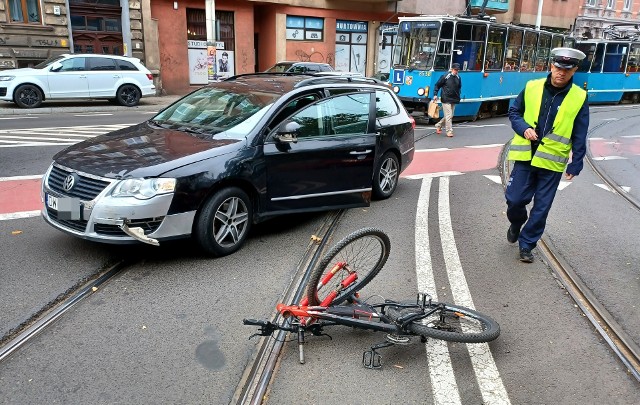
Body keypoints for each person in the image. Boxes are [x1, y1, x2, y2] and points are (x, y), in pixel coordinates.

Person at [505, 47, 589, 263]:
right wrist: (523, 128)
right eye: (558, 67)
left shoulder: (579, 97)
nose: (561, 73)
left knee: (542, 208)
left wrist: (576, 163)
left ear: (574, 71)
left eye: (567, 70)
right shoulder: (532, 87)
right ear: (551, 66)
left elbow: (580, 132)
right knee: (514, 199)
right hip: (526, 156)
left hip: (552, 162)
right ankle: (516, 222)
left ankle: (527, 245)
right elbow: (514, 112)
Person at [432, 62, 462, 137]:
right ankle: (449, 131)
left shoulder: (458, 77)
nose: (456, 71)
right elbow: (437, 85)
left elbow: (459, 87)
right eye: (455, 70)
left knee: (450, 115)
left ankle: (438, 125)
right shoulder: (445, 76)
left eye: (457, 70)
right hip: (446, 98)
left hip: (454, 98)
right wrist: (435, 94)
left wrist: (458, 96)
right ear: (452, 69)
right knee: (449, 115)